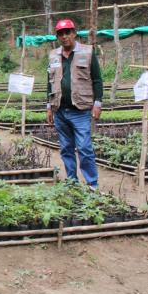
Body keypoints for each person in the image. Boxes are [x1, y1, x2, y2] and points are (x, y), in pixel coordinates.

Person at [47, 18, 103, 189]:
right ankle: (72, 182)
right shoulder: (53, 55)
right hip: (60, 110)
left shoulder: (87, 52)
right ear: (57, 36)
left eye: (67, 33)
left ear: (74, 33)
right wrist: (48, 107)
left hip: (80, 110)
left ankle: (92, 184)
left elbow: (97, 80)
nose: (64, 37)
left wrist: (98, 103)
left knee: (85, 148)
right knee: (66, 149)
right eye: (60, 34)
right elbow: (49, 82)